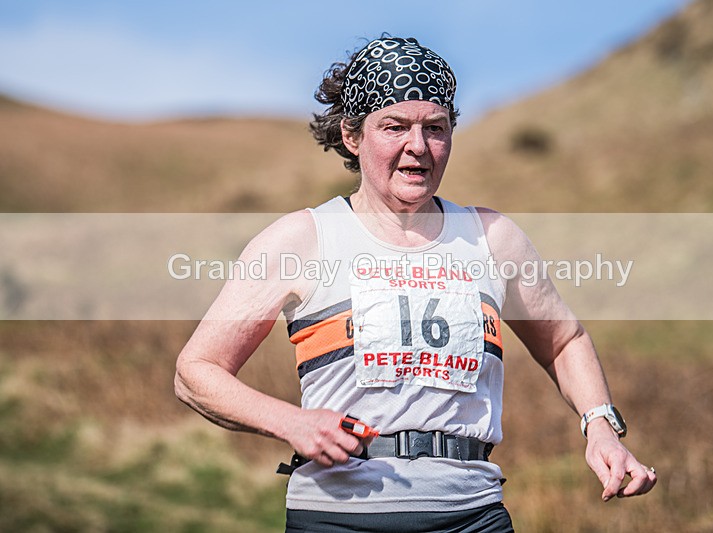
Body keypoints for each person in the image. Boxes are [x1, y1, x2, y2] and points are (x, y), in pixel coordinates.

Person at [174, 36, 657, 532]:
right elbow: (196, 370)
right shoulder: (303, 239)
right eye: (395, 126)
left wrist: (600, 426)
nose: (418, 147)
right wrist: (291, 422)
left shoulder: (492, 237)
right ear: (352, 134)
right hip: (338, 518)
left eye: (436, 128)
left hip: (472, 515)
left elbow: (564, 340)